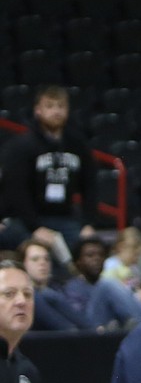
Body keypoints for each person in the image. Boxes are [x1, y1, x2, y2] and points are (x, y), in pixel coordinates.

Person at [0, 85, 99, 256]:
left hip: (66, 218)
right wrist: (36, 227)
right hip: (29, 219)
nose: (56, 111)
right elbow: (16, 191)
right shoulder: (21, 146)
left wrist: (88, 223)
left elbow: (90, 185)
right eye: (50, 106)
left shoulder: (78, 145)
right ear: (38, 110)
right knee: (31, 247)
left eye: (61, 106)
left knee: (88, 249)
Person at [23, 238, 141, 331]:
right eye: (35, 259)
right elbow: (69, 320)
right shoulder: (45, 294)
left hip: (98, 324)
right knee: (107, 285)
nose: (42, 263)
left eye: (46, 259)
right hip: (85, 329)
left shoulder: (57, 285)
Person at [101, 226, 141, 306]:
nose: (137, 259)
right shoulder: (111, 266)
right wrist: (137, 296)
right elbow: (110, 294)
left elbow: (135, 288)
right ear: (121, 247)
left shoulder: (134, 268)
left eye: (139, 255)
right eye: (135, 254)